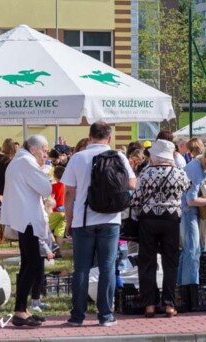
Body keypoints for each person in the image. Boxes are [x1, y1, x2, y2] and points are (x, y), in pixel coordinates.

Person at [62, 121, 136, 327]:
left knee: (82, 268)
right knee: (107, 268)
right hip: (111, 219)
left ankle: (77, 316)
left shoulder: (78, 157)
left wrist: (69, 219)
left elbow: (68, 192)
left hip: (83, 219)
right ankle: (105, 315)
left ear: (89, 135)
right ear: (109, 138)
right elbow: (132, 183)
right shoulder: (119, 156)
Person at [131, 140, 190, 318]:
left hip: (148, 220)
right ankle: (170, 304)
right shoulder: (179, 172)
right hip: (171, 220)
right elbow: (188, 186)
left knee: (147, 261)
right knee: (170, 262)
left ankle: (149, 304)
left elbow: (136, 199)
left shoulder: (146, 172)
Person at [1, 134, 54, 327]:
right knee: (31, 265)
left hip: (23, 219)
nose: (46, 154)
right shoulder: (26, 162)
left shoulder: (19, 161)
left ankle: (22, 308)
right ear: (33, 149)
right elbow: (46, 189)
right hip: (28, 220)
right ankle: (20, 311)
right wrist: (45, 170)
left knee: (27, 265)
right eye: (44, 150)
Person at [178, 147, 206, 286]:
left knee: (189, 249)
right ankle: (191, 287)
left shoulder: (205, 165)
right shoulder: (195, 170)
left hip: (191, 211)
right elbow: (190, 200)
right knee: (193, 250)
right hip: (187, 211)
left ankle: (181, 285)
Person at [49, 166, 66, 257]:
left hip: (55, 210)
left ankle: (53, 248)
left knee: (46, 229)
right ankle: (60, 252)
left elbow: (51, 197)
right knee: (60, 232)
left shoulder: (53, 186)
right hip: (65, 211)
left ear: (55, 175)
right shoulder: (67, 185)